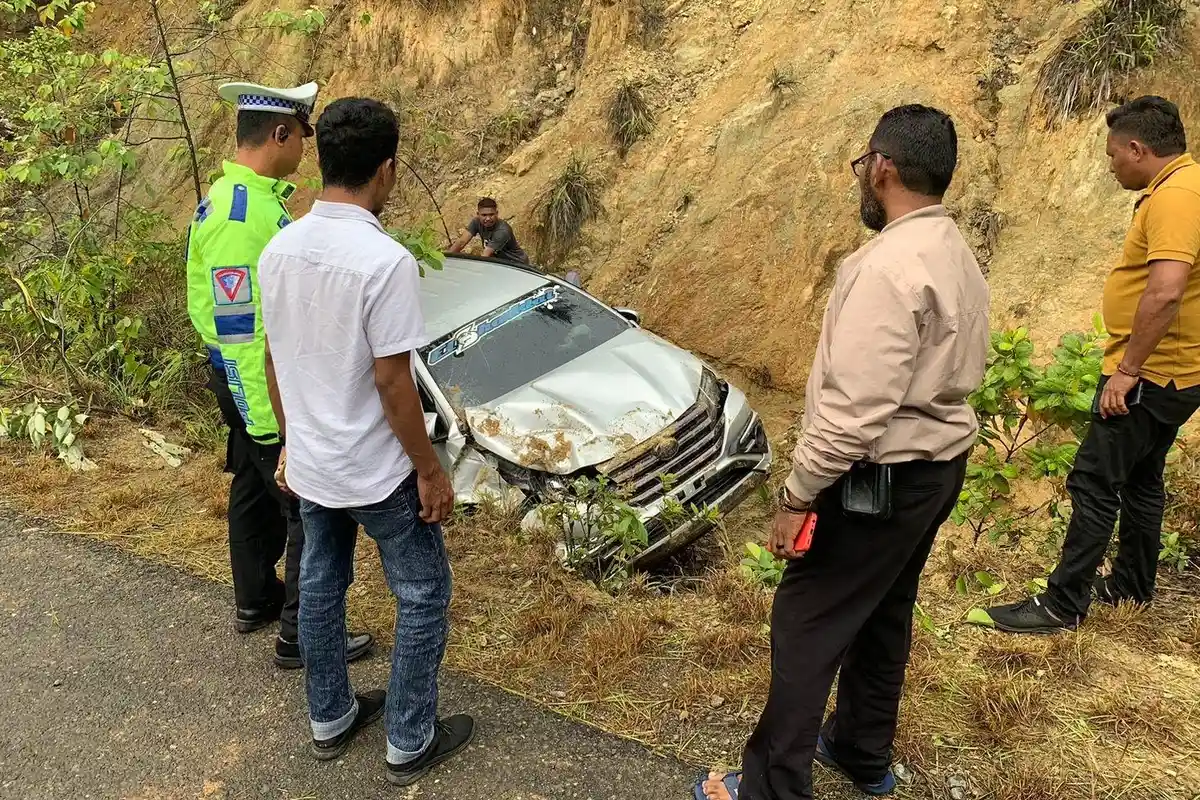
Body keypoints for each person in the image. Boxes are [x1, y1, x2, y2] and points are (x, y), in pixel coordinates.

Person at [698, 105, 988, 800]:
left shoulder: (887, 267)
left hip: (877, 479)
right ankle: (861, 750)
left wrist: (796, 495)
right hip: (938, 468)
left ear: (883, 168)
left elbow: (854, 413)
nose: (862, 179)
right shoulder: (953, 249)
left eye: (864, 165)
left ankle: (770, 788)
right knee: (886, 610)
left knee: (806, 620)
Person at [258, 97, 474, 784]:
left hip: (315, 464)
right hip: (377, 471)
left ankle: (331, 716)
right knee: (422, 591)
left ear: (323, 161)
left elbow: (273, 359)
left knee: (321, 582)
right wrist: (431, 472)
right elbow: (392, 384)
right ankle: (409, 737)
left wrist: (292, 443)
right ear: (386, 171)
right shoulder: (384, 262)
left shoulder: (279, 247)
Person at [988, 96, 1200, 634]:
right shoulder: (1186, 185)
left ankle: (1062, 604)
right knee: (1142, 479)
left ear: (1138, 148)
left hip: (1152, 372)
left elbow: (1167, 291)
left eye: (1112, 155)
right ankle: (1132, 583)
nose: (1110, 165)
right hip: (1176, 369)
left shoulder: (1177, 197)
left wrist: (1128, 370)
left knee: (1093, 481)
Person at [185, 80, 373, 669]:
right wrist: (276, 424)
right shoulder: (243, 216)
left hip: (235, 375)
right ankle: (302, 634)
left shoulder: (236, 197)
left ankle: (255, 599)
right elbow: (242, 331)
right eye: (302, 138)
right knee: (303, 504)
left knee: (249, 481)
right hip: (252, 379)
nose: (306, 152)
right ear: (280, 134)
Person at [448, 197, 529, 263]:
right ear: (478, 214)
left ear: (496, 213)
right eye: (484, 215)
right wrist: (446, 259)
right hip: (499, 261)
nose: (488, 218)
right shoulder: (476, 222)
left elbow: (485, 256)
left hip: (517, 264)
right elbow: (461, 242)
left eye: (491, 214)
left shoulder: (502, 231)